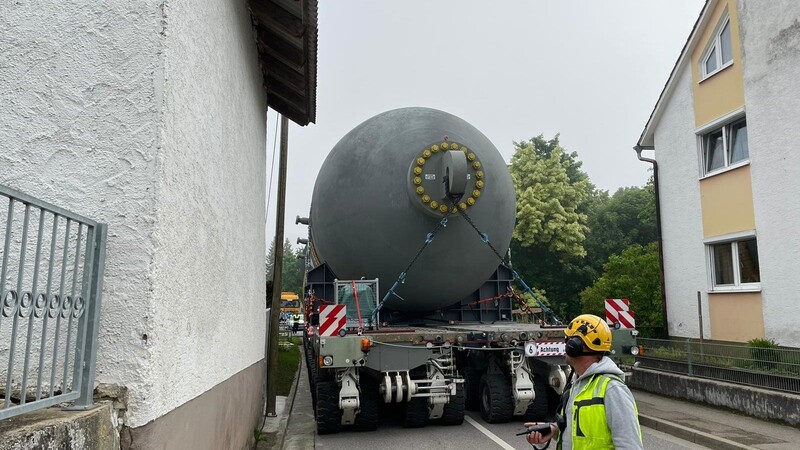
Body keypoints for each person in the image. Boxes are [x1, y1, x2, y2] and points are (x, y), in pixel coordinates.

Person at [523, 314, 643, 449]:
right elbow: (579, 432)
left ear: (575, 346)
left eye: (567, 341)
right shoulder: (577, 385)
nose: (565, 346)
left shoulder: (612, 389)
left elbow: (630, 445)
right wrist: (554, 430)